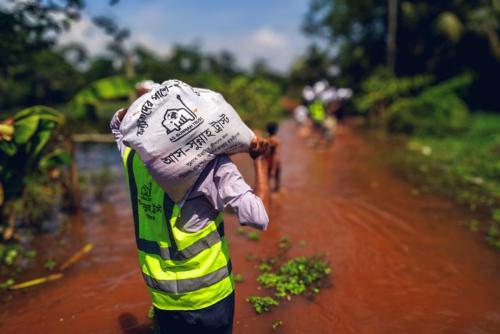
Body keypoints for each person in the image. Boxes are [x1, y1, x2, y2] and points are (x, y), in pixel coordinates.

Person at [110, 87, 272, 334]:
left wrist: (145, 105)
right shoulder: (215, 166)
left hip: (163, 297)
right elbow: (258, 216)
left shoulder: (133, 159)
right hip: (211, 297)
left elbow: (117, 124)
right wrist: (259, 160)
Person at [265, 122, 281, 192]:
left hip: (270, 160)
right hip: (276, 160)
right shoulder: (276, 139)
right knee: (277, 177)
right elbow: (276, 153)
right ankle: (276, 190)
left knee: (268, 177)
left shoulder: (269, 139)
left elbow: (269, 153)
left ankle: (268, 191)